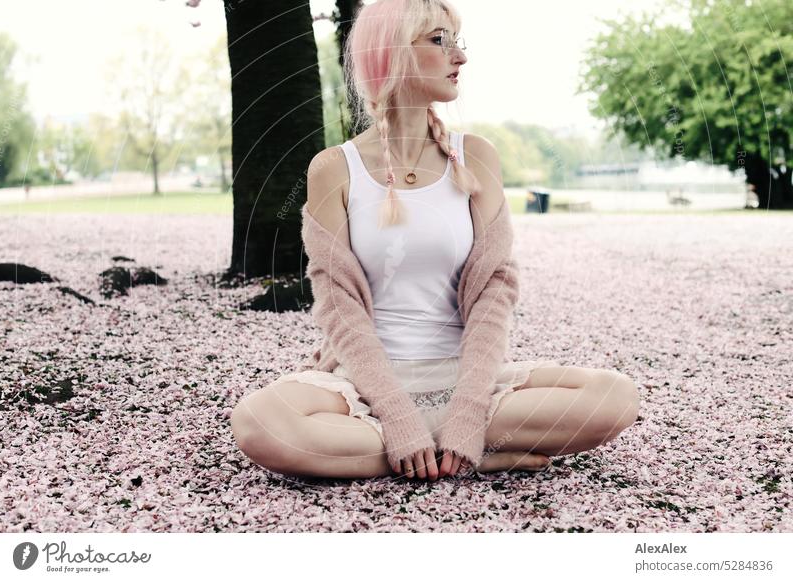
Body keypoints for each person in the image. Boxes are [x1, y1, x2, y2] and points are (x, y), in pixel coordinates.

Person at [231, 0, 640, 482]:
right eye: (439, 40)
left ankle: (439, 445)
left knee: (616, 397)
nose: (460, 57)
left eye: (457, 42)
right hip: (364, 385)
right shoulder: (333, 169)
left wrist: (468, 411)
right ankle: (468, 454)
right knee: (258, 423)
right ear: (392, 53)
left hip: (466, 381)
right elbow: (338, 305)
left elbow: (493, 292)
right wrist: (397, 415)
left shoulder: (477, 157)